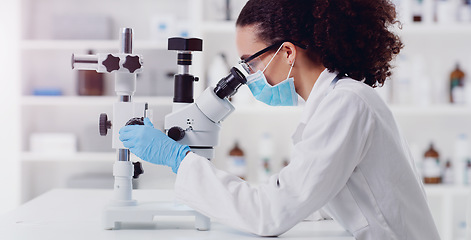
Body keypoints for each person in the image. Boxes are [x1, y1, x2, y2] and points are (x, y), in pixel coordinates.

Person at [119, 0, 441, 239]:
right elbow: (314, 197)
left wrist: (179, 159)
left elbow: (269, 215)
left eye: (250, 63)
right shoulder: (337, 99)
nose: (248, 76)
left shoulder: (346, 104)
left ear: (287, 53)